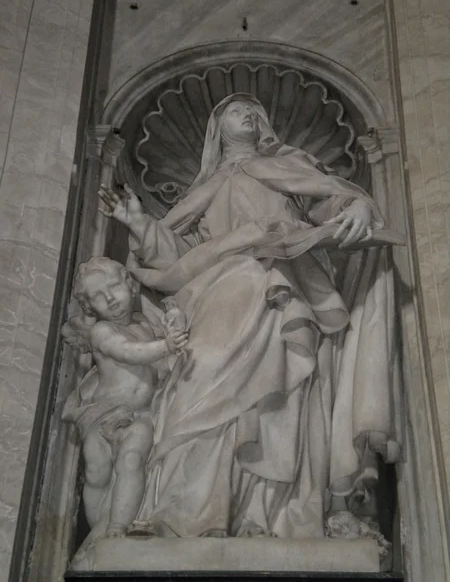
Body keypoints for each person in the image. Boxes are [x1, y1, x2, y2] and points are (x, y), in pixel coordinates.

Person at [99, 93, 400, 539]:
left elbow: (330, 201)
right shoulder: (206, 186)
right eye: (236, 109)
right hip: (218, 292)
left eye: (256, 110)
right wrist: (140, 224)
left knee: (278, 395)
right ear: (217, 127)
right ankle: (187, 514)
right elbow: (176, 256)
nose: (250, 113)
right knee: (197, 389)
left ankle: (264, 517)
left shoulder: (288, 165)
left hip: (280, 284)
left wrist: (353, 205)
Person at [62, 257, 188, 539]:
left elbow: (161, 366)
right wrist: (165, 346)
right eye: (97, 296)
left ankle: (118, 527)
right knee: (96, 474)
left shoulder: (144, 323)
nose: (109, 298)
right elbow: (128, 352)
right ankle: (96, 531)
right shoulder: (102, 331)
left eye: (113, 287)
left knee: (132, 460)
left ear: (130, 286)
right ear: (89, 306)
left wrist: (173, 320)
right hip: (102, 415)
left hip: (142, 415)